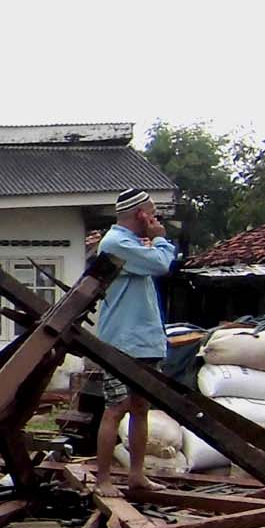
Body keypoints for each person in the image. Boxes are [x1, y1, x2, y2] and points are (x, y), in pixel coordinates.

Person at [91, 188, 177, 495]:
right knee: (117, 407)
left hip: (144, 340)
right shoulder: (116, 244)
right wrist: (161, 237)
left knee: (140, 407)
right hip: (121, 341)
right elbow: (161, 264)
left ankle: (136, 474)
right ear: (139, 214)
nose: (154, 218)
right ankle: (103, 479)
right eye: (151, 212)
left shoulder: (133, 244)